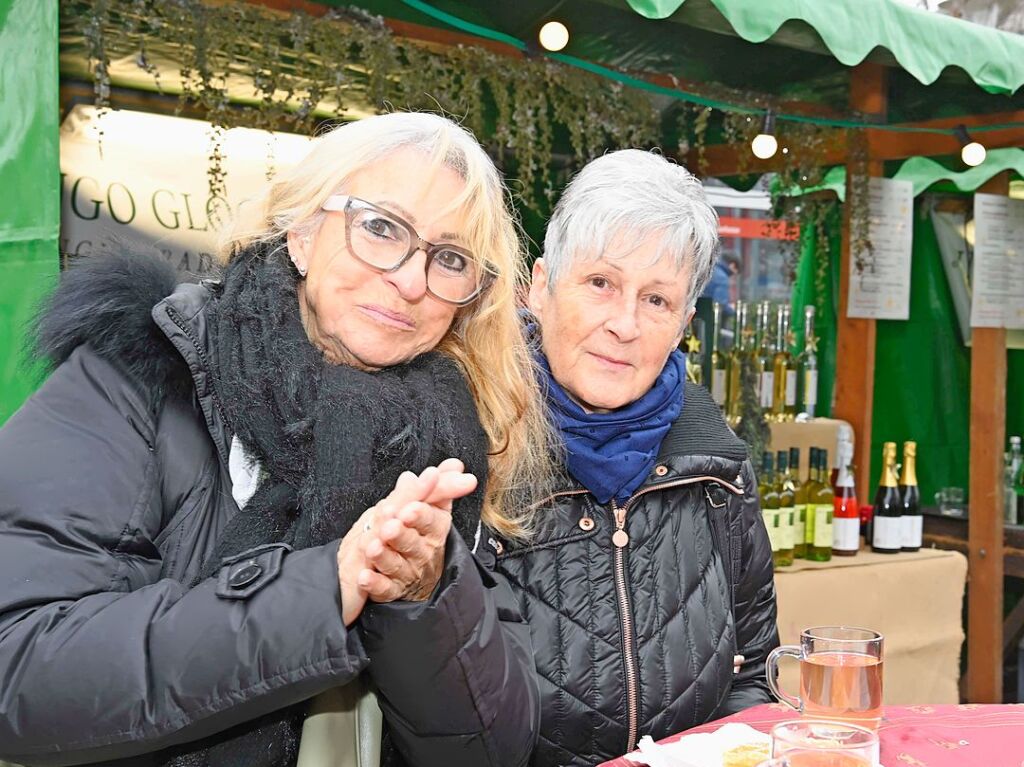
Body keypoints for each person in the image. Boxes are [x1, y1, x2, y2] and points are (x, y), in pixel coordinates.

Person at [0, 112, 552, 767]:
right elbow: (18, 669)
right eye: (380, 227)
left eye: (450, 258)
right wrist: (319, 593)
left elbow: (496, 750)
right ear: (302, 232)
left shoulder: (452, 439)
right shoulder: (140, 376)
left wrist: (426, 596)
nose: (411, 280)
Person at [491, 150, 779, 766]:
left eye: (656, 300)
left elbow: (753, 674)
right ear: (539, 288)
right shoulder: (473, 450)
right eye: (600, 283)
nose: (625, 323)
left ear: (683, 323)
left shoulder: (717, 470)